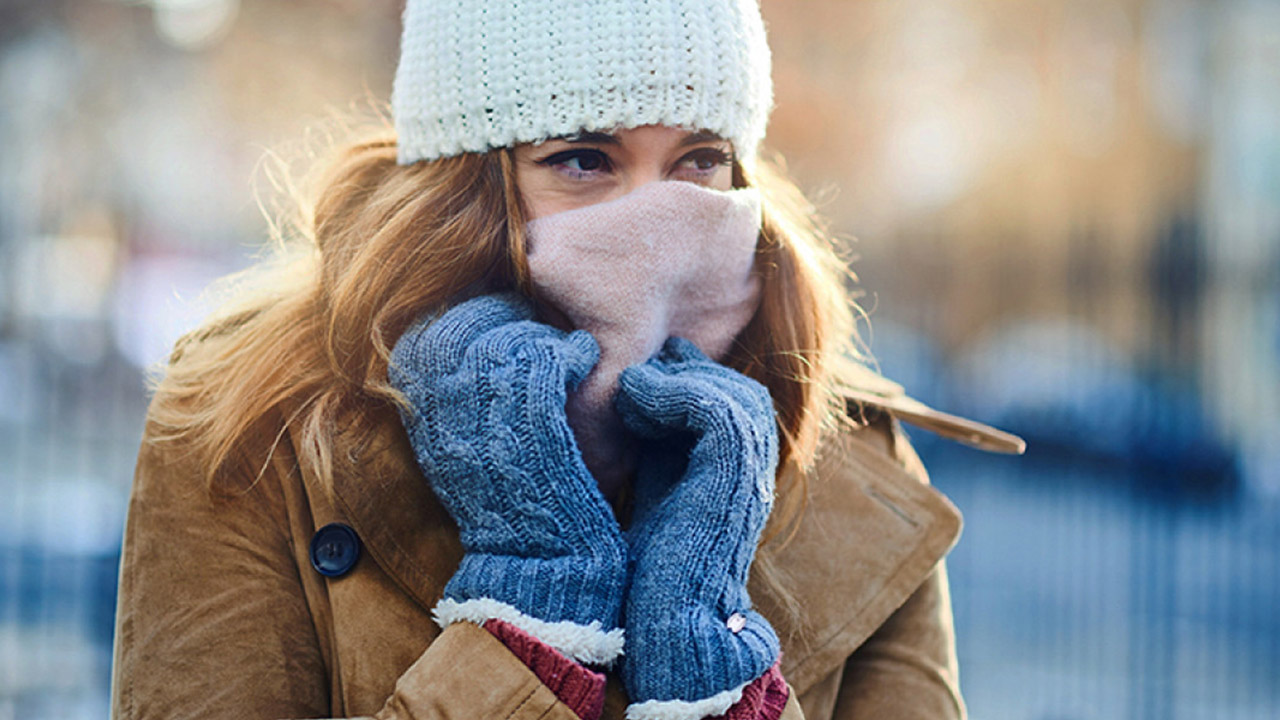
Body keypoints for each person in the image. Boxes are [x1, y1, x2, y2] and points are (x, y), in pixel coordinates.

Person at [109, 1, 1023, 719]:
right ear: (463, 186)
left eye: (699, 161)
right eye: (584, 159)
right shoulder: (252, 430)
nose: (658, 219)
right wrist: (527, 629)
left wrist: (711, 678)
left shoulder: (853, 460)